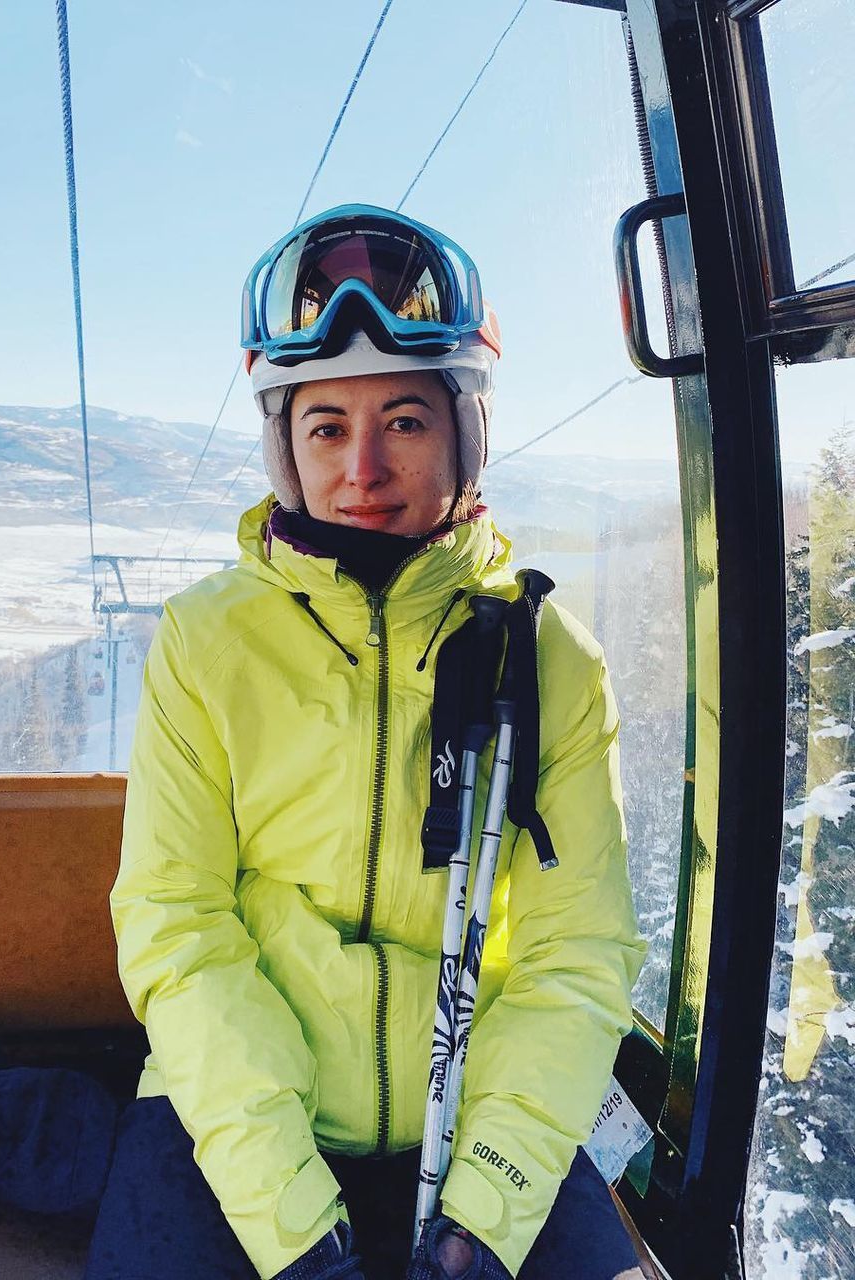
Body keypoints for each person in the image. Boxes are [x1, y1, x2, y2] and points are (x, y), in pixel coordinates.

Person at [85, 205, 648, 1280]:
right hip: (239, 1124)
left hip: (486, 1115)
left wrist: (493, 1200)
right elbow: (177, 921)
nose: (363, 468)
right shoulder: (209, 643)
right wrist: (287, 1213)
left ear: (462, 429)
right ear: (286, 448)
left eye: (403, 420)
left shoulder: (549, 659)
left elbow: (576, 951)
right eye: (326, 427)